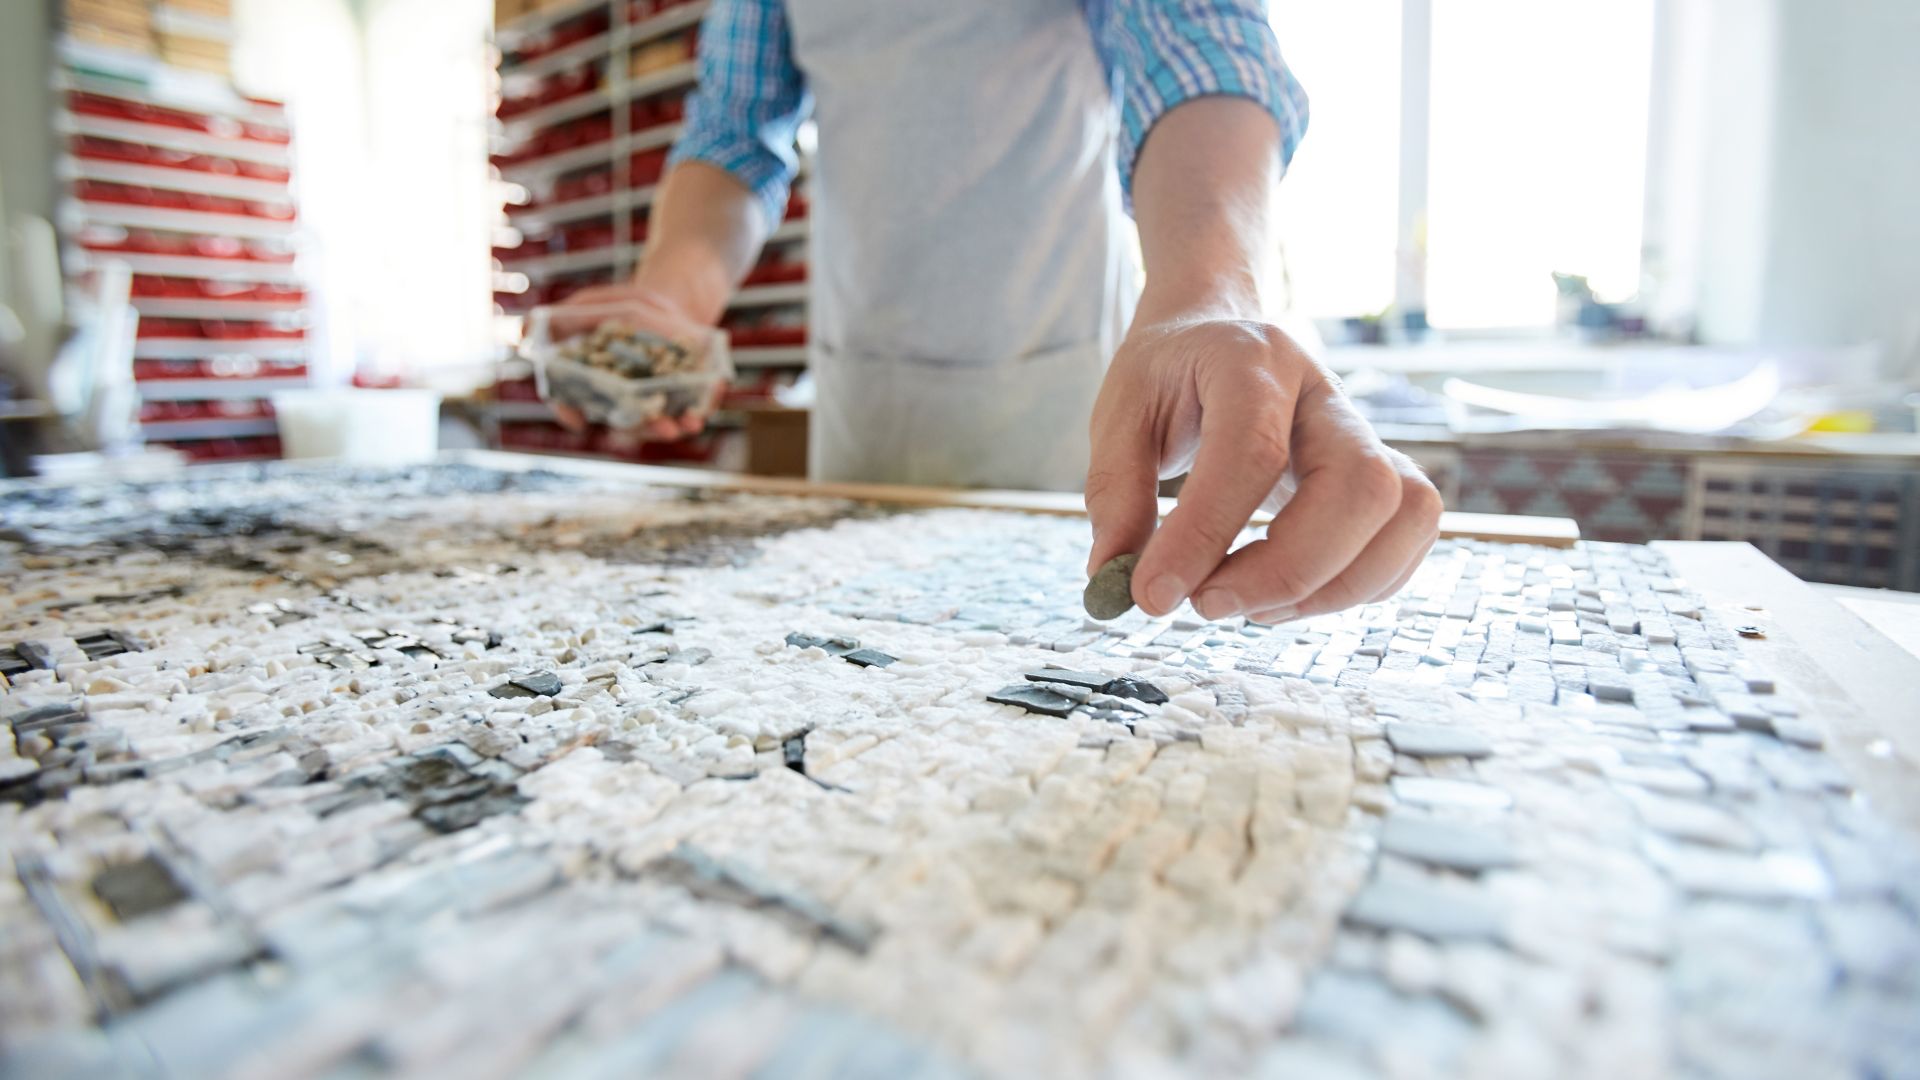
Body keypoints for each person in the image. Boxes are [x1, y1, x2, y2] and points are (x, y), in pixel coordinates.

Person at [558, 0, 1442, 624]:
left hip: (1051, 393)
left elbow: (1201, 45)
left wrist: (1210, 292)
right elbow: (735, 128)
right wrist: (667, 299)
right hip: (863, 400)